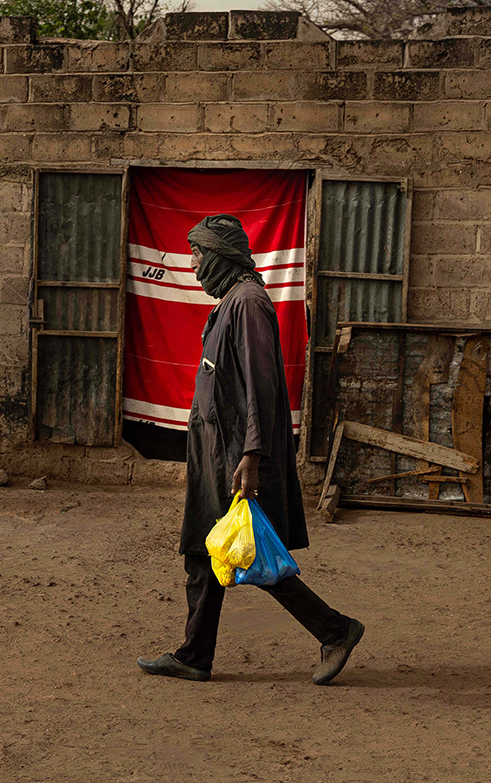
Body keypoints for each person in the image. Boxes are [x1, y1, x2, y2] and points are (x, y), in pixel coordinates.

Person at [138, 214, 364, 686]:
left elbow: (263, 387)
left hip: (234, 458)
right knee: (204, 551)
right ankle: (195, 655)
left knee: (251, 552)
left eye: (199, 254)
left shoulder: (248, 304)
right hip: (216, 454)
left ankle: (335, 630)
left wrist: (251, 456)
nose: (194, 263)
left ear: (220, 257)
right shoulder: (231, 303)